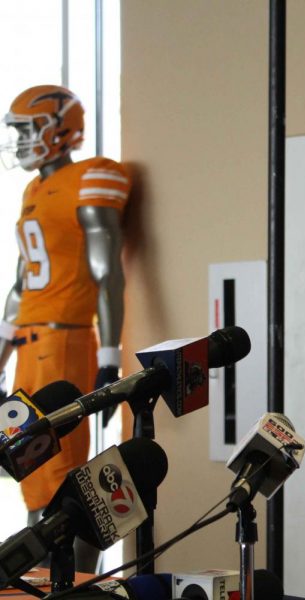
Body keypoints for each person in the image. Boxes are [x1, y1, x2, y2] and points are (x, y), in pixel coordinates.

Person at [0, 84, 130, 573]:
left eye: (28, 129)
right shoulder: (32, 189)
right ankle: (37, 575)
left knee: (60, 472)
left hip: (65, 341)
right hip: (31, 344)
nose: (20, 140)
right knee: (25, 464)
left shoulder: (91, 177)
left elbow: (107, 271)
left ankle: (73, 579)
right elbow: (21, 282)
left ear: (60, 128)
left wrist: (110, 354)